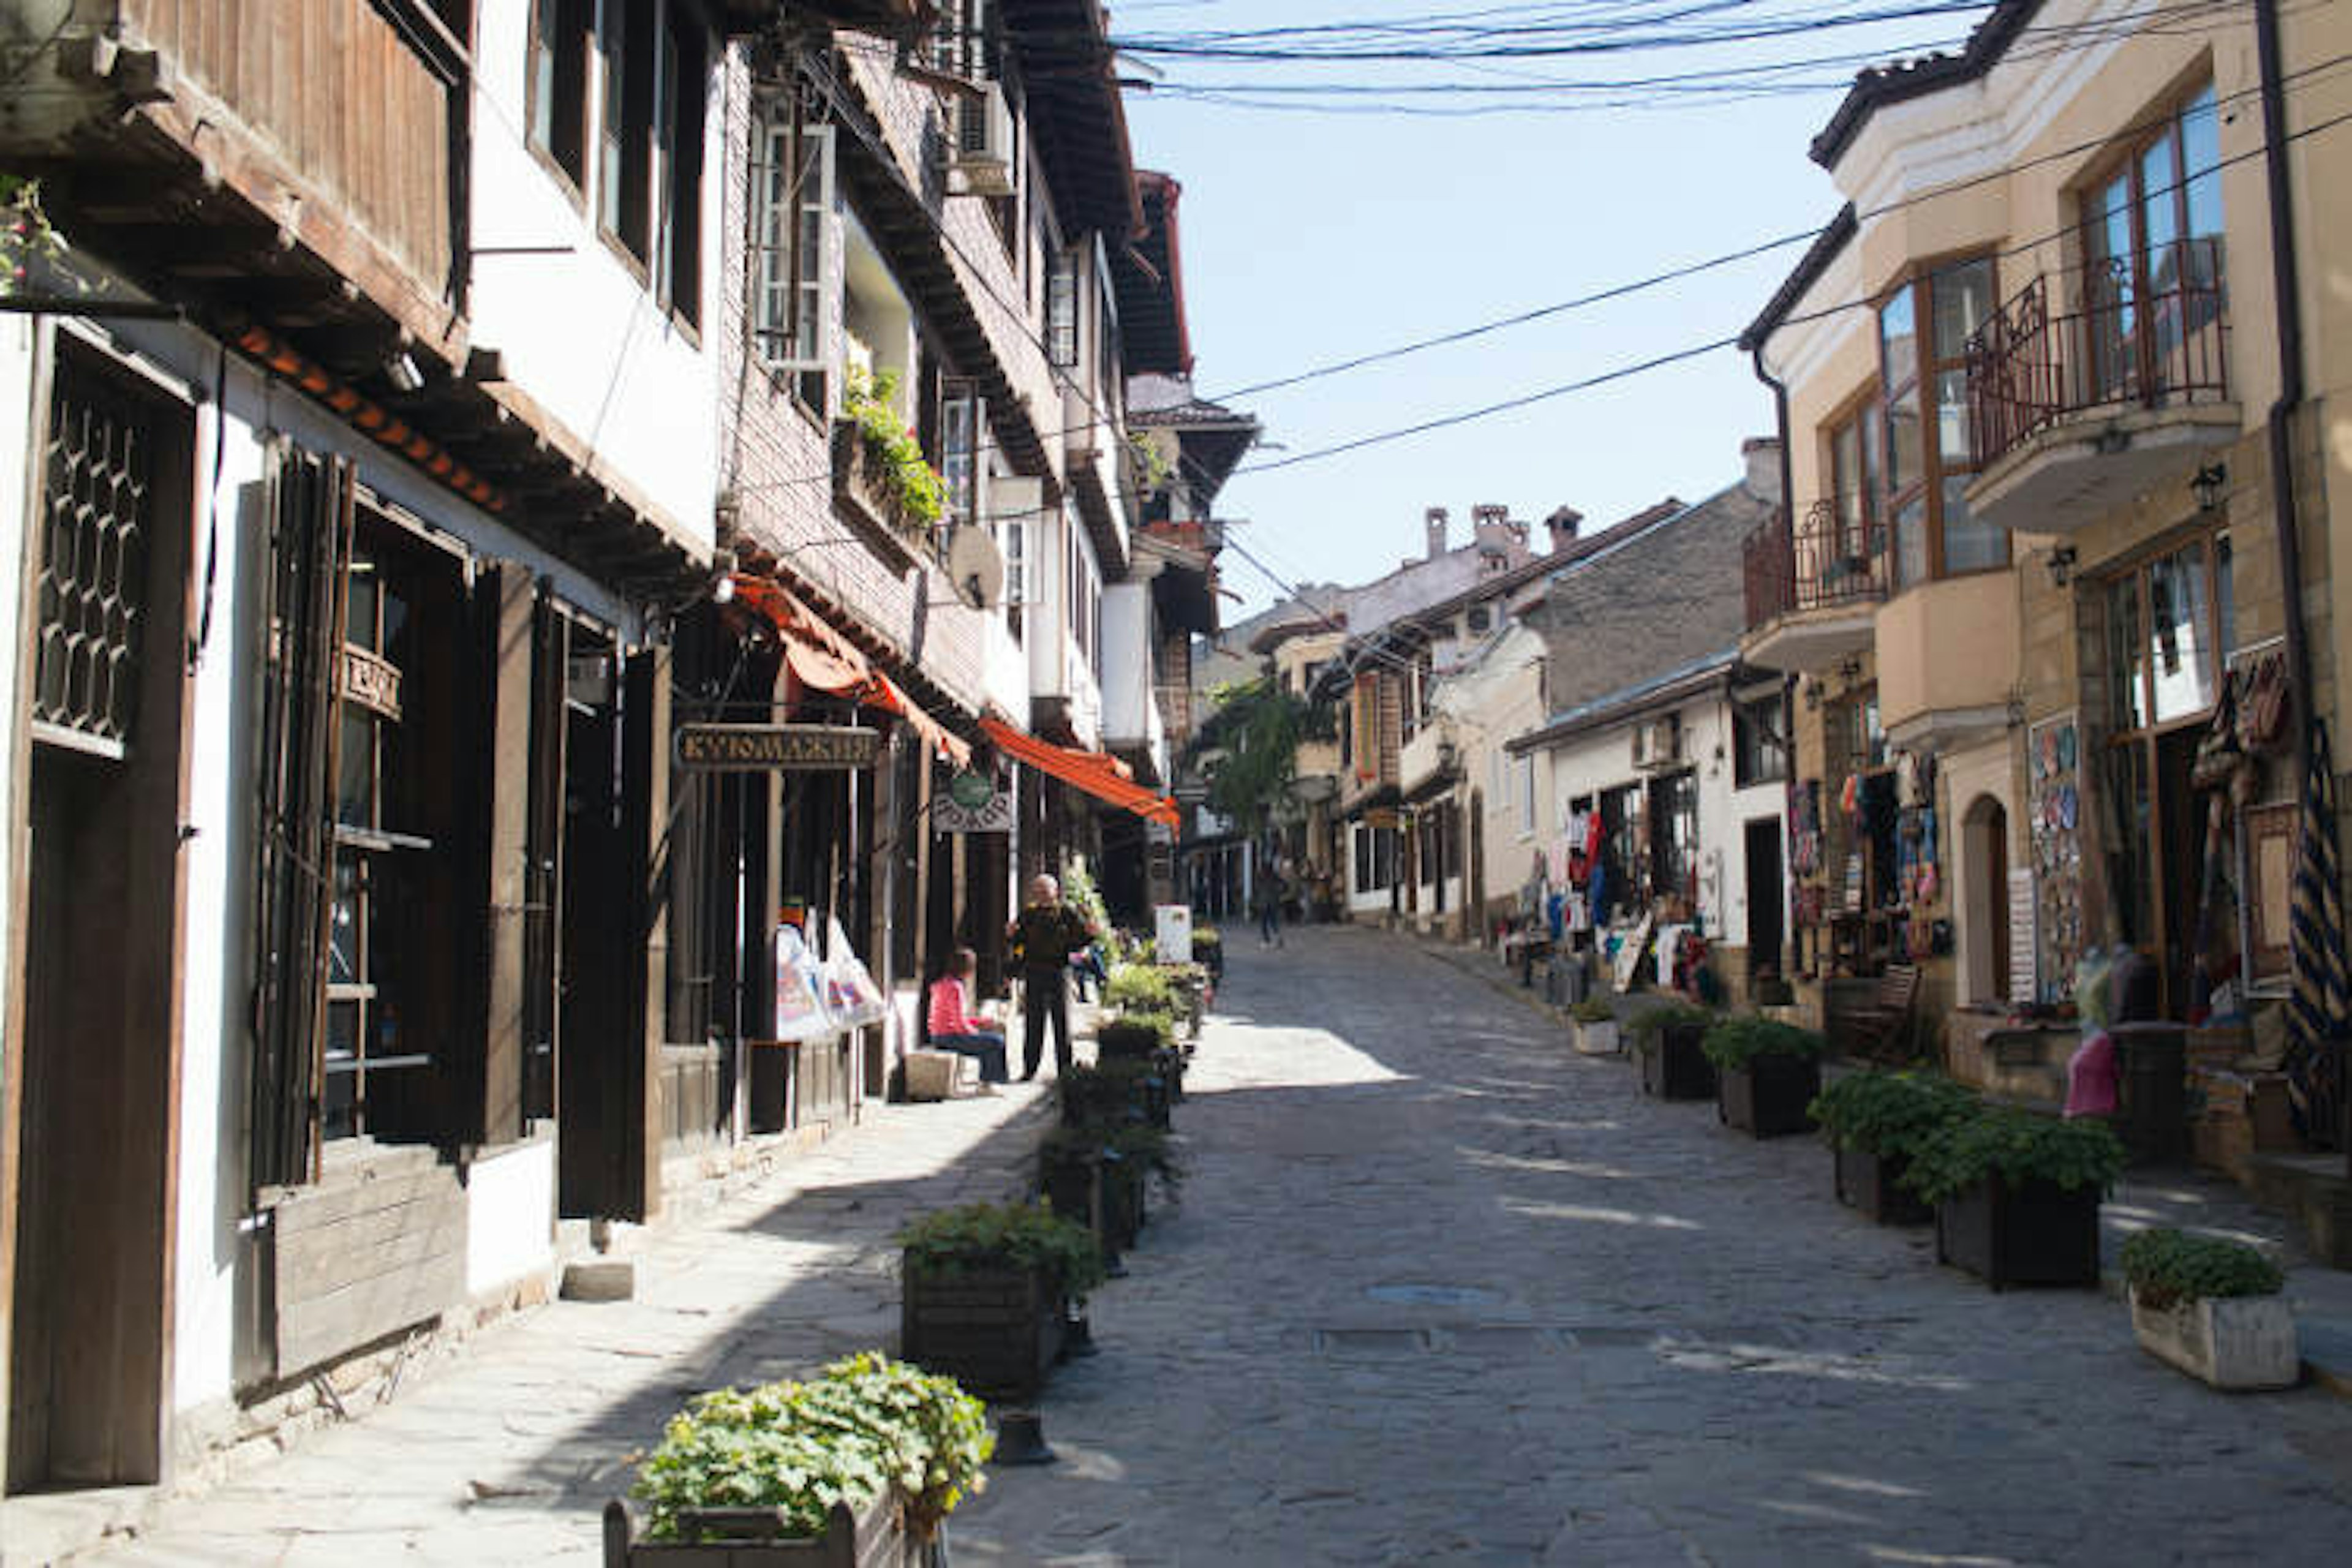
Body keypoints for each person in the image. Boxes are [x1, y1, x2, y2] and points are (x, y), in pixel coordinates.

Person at [1009, 873, 1091, 1080]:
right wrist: (1012, 937)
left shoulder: (1066, 913)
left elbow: (1079, 941)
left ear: (1055, 892)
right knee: (1033, 1023)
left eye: (1045, 891)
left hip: (1059, 970)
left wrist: (1090, 934)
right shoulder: (1028, 914)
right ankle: (1030, 1069)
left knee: (1061, 1023)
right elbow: (1019, 944)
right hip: (1034, 971)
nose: (1042, 895)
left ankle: (1065, 1069)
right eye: (1038, 891)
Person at [925, 947, 1007, 1085]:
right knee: (995, 1042)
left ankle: (992, 1080)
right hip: (949, 1037)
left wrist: (979, 1022)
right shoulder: (955, 987)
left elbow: (955, 1017)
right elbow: (959, 1025)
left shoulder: (941, 984)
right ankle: (990, 1082)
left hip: (938, 1035)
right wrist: (975, 1032)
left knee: (990, 1038)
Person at [1256, 864, 1286, 948]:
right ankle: (1278, 938)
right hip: (1273, 902)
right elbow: (1285, 885)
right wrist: (1279, 893)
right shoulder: (1275, 877)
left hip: (1264, 903)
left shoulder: (1261, 878)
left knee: (1264, 923)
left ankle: (1266, 940)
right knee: (1273, 922)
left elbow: (1258, 889)